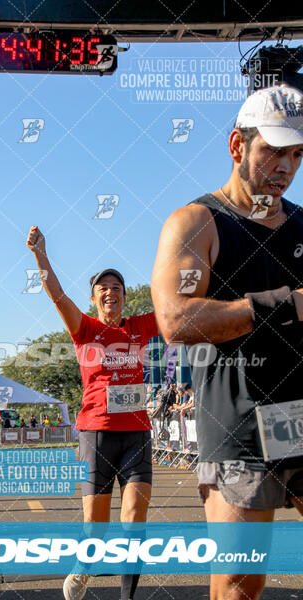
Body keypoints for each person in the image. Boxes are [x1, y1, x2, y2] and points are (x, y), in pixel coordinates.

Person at [151, 84, 303, 600]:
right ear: (238, 145)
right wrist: (288, 303)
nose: (285, 167)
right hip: (239, 422)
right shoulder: (198, 223)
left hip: (300, 416)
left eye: (297, 154)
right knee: (239, 585)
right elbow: (177, 320)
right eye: (274, 151)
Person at [27, 226, 158, 600]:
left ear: (124, 297)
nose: (110, 291)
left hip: (136, 433)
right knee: (95, 530)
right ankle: (86, 565)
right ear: (94, 298)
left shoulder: (139, 328)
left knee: (134, 520)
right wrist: (40, 255)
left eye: (117, 287)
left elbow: (174, 305)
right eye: (103, 287)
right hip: (96, 433)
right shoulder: (85, 329)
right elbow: (56, 295)